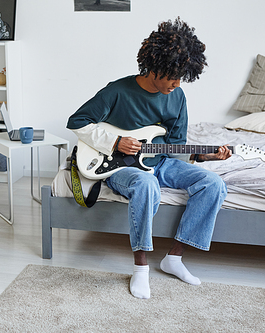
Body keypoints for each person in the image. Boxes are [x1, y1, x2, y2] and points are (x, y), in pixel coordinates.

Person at [66, 17, 232, 299]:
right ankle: (141, 268)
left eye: (182, 77)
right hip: (121, 167)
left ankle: (174, 259)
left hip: (161, 162)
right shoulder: (117, 91)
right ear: (155, 66)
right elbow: (77, 121)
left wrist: (204, 157)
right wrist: (116, 141)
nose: (177, 83)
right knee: (145, 184)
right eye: (172, 75)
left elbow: (175, 146)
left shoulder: (177, 96)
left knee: (213, 183)